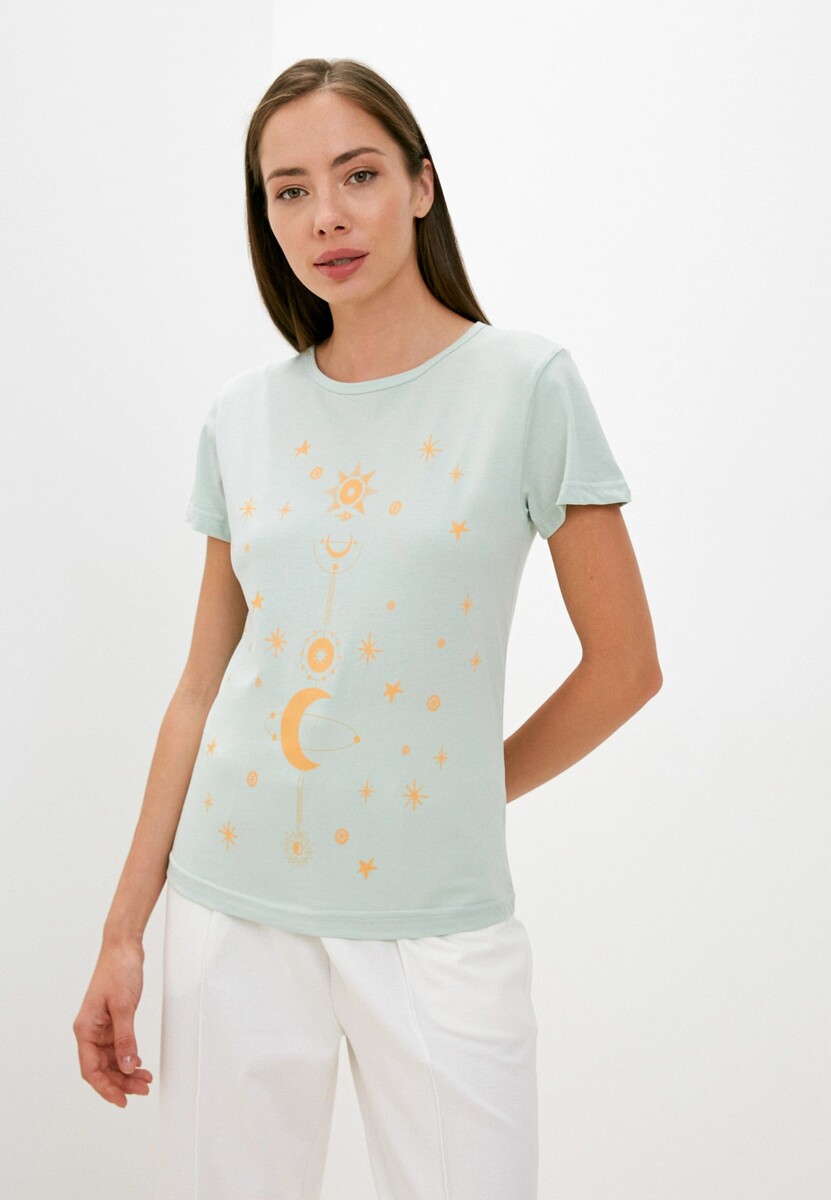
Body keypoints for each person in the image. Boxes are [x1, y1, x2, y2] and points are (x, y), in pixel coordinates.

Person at [73, 56, 662, 1199]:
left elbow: (627, 667)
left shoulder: (527, 384)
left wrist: (462, 789)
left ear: (422, 186)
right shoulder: (244, 417)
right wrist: (123, 932)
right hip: (231, 909)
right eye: (289, 191)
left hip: (440, 923)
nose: (325, 217)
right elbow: (199, 690)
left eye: (358, 175)